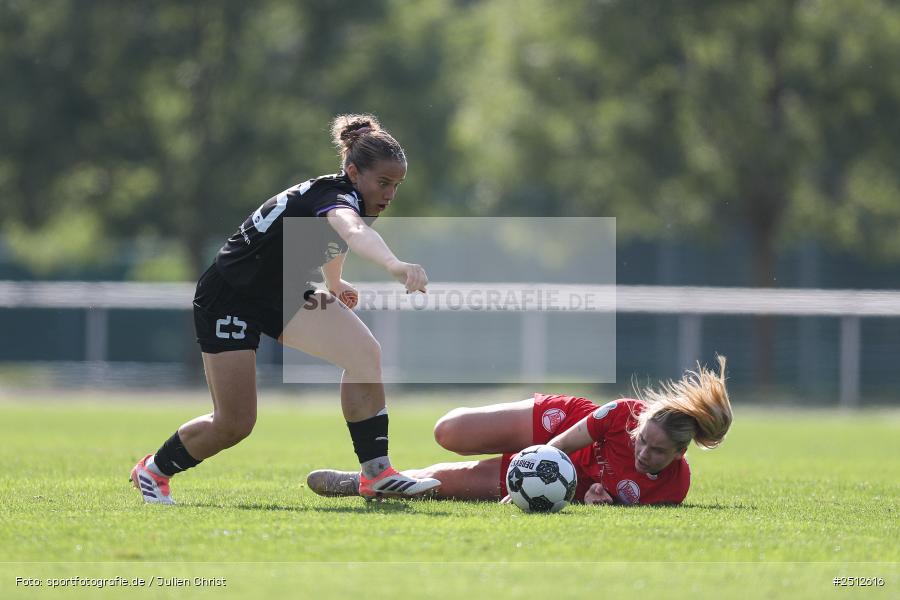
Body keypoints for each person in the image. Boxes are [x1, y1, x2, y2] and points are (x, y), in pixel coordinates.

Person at [131, 114, 441, 504]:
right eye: (383, 182)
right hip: (230, 296)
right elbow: (351, 230)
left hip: (280, 292)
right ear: (352, 171)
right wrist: (395, 266)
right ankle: (154, 470)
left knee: (364, 354)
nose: (390, 193)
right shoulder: (337, 198)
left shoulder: (347, 195)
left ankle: (376, 474)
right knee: (234, 423)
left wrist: (334, 282)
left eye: (396, 185)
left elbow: (331, 238)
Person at [308, 357, 733, 505]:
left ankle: (366, 482)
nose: (644, 453)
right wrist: (531, 473)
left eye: (657, 453)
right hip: (559, 431)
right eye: (643, 441)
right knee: (448, 431)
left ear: (680, 455)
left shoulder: (674, 489)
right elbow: (561, 446)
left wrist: (594, 500)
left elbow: (616, 502)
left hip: (571, 479)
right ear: (639, 425)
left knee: (446, 485)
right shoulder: (620, 413)